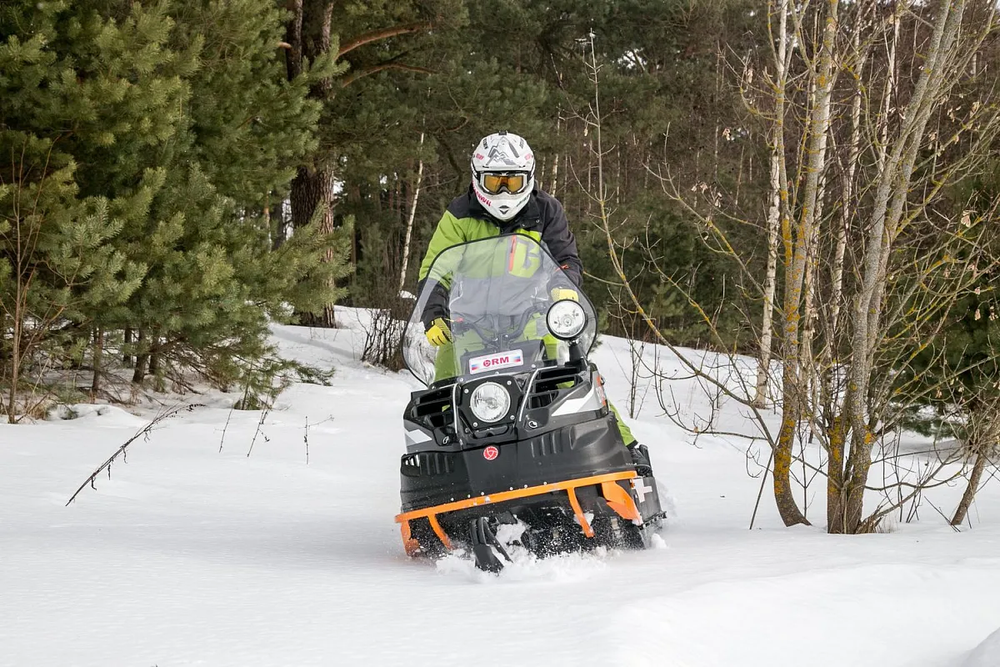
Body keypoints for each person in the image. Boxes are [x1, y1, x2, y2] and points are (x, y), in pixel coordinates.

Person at [415, 131, 651, 473]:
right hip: (470, 325)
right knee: (444, 389)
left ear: (529, 178)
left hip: (533, 318)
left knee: (572, 374)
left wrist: (565, 289)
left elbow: (565, 257)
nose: (504, 191)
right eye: (495, 182)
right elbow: (435, 268)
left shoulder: (545, 211)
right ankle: (444, 469)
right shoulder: (459, 214)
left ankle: (625, 449)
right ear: (477, 178)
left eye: (513, 182)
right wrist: (434, 312)